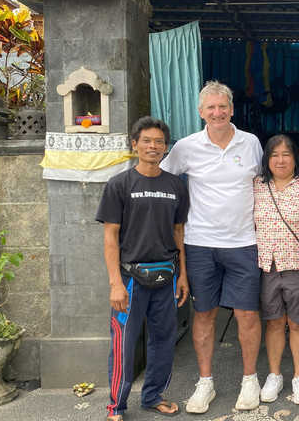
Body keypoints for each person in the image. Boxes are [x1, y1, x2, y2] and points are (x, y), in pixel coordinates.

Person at [160, 81, 264, 413]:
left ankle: (250, 380)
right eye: (210, 108)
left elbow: (263, 185)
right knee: (204, 314)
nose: (217, 113)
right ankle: (205, 383)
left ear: (232, 109)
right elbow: (163, 179)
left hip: (244, 242)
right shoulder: (187, 147)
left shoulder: (251, 143)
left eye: (223, 106)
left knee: (247, 313)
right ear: (201, 112)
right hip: (200, 243)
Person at [96, 116, 190, 421]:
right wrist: (115, 283)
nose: (154, 146)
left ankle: (152, 396)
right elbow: (110, 236)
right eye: (147, 141)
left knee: (164, 340)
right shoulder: (119, 184)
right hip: (130, 278)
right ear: (134, 144)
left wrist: (183, 276)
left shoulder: (175, 184)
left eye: (160, 141)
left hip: (166, 274)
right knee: (123, 342)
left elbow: (179, 234)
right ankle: (116, 407)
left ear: (166, 147)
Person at [253, 134, 299, 405]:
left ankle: (298, 376)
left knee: (297, 323)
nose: (280, 160)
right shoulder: (257, 185)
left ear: (296, 158)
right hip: (267, 267)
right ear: (267, 159)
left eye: (286, 154)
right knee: (273, 323)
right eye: (274, 154)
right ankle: (274, 375)